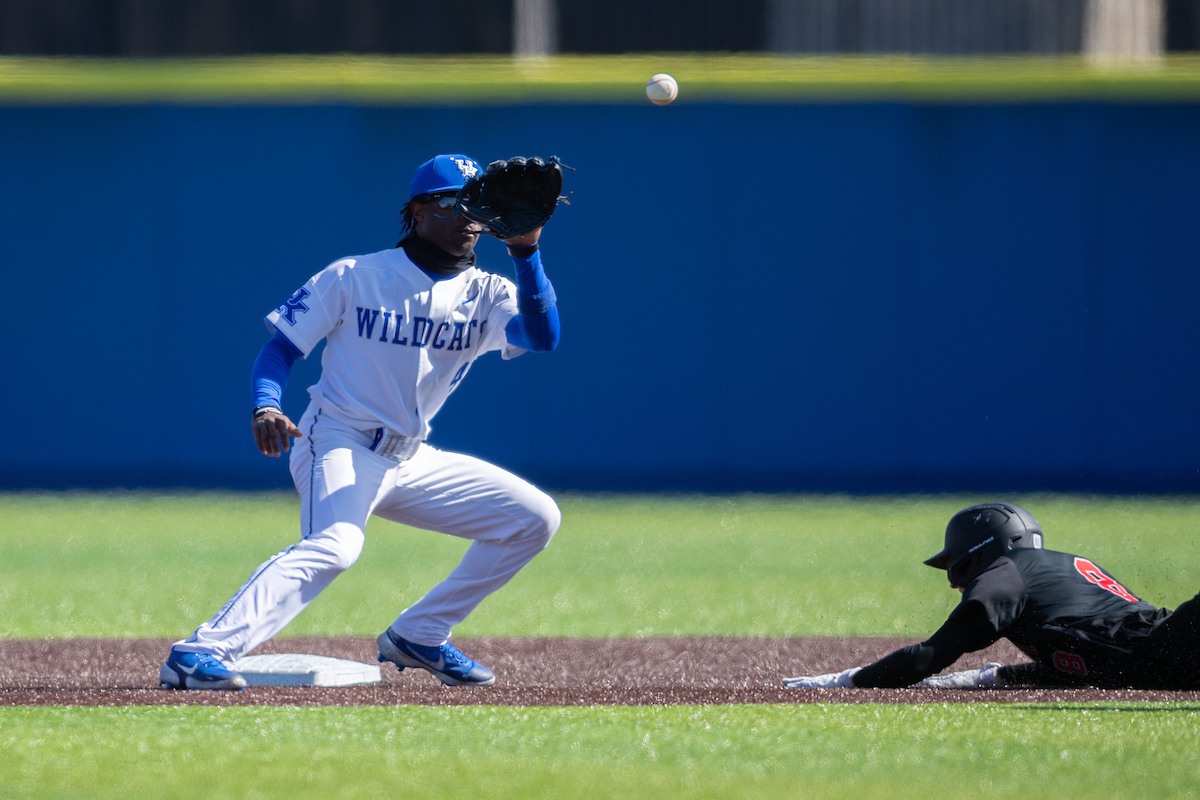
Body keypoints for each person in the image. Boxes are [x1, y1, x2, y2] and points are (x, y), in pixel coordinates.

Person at [159, 154, 563, 690]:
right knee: (336, 545)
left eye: (477, 204)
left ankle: (420, 633)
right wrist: (266, 405)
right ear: (418, 211)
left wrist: (527, 250)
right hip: (339, 439)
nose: (469, 215)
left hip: (411, 456)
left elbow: (543, 337)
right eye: (452, 201)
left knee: (534, 518)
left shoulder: (489, 293)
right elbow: (280, 349)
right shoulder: (355, 275)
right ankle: (200, 651)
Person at [783, 502, 1200, 691]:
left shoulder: (1008, 573)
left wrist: (847, 679)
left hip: (1178, 643)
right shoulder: (1060, 570)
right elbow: (1094, 659)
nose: (953, 583)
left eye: (958, 567)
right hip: (1175, 645)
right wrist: (996, 676)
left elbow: (929, 656)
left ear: (985, 552)